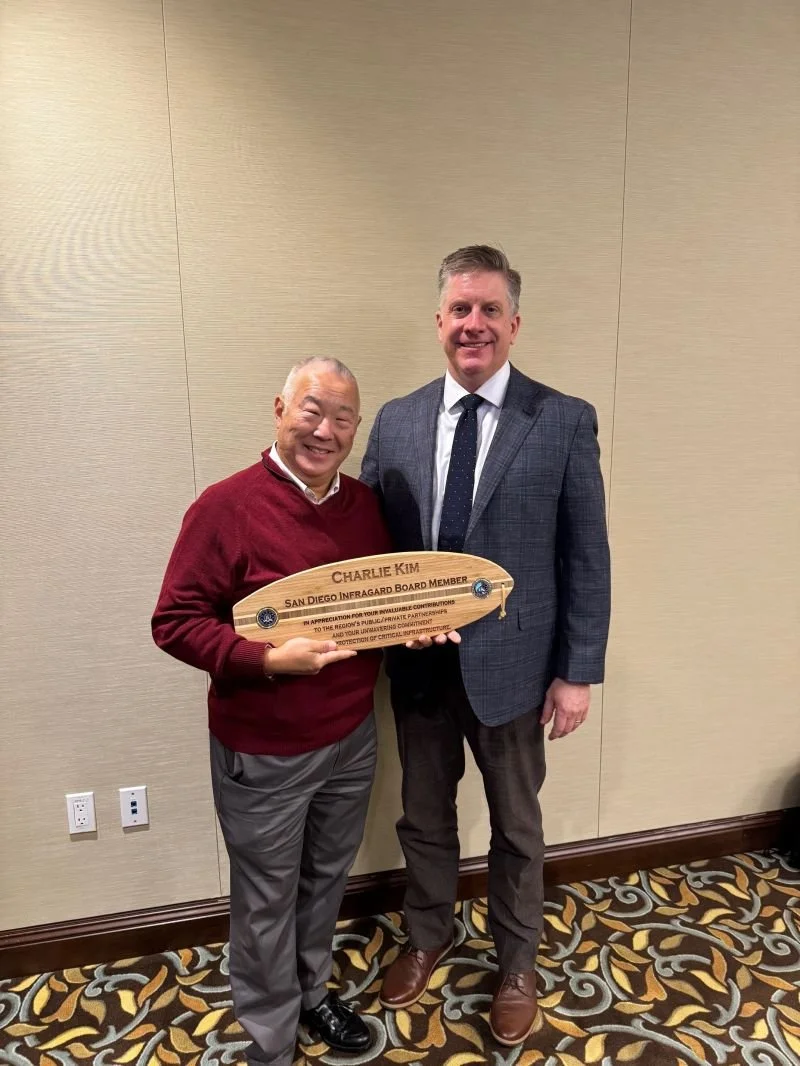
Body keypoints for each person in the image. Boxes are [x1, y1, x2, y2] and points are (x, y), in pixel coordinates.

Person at [360, 246, 611, 1047]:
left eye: (490, 310)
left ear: (514, 324)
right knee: (423, 817)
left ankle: (516, 963)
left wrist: (577, 673)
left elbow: (586, 555)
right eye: (460, 310)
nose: (474, 324)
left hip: (516, 669)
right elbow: (371, 549)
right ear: (439, 322)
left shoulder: (563, 418)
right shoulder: (396, 420)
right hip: (420, 667)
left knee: (517, 826)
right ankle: (428, 934)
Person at [152, 357, 392, 1066]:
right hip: (264, 749)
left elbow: (369, 607)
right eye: (311, 410)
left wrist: (410, 623)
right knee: (264, 901)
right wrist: (263, 659)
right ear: (280, 408)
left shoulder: (365, 506)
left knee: (325, 881)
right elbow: (174, 621)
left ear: (355, 429)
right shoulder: (224, 506)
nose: (325, 430)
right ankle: (271, 1039)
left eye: (342, 417)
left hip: (353, 735)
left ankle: (311, 991)